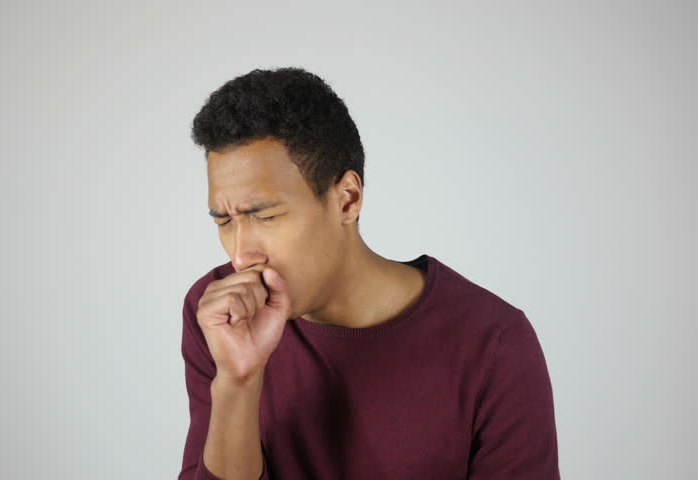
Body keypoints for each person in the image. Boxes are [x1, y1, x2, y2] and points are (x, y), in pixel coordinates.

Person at [178, 67, 560, 480]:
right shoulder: (218, 313)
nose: (241, 256)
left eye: (266, 216)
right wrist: (238, 381)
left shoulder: (492, 342)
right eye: (224, 221)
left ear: (347, 199)